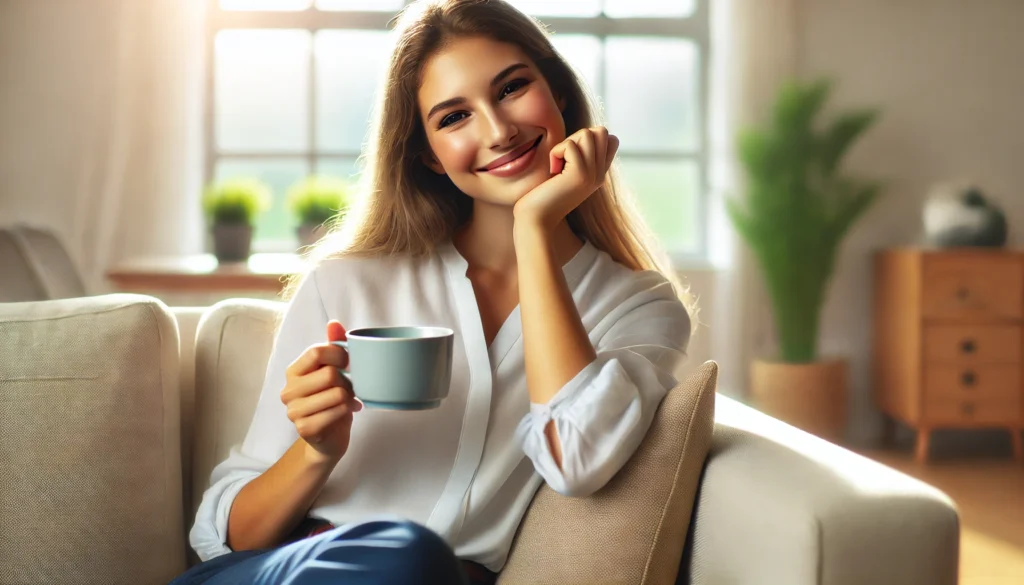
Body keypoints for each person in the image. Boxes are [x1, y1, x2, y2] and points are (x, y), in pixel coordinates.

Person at [172, 0, 695, 583]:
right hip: (287, 569)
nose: (498, 131)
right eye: (453, 118)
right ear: (428, 155)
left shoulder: (639, 306)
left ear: (560, 95)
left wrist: (535, 229)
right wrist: (317, 449)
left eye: (513, 88)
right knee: (406, 556)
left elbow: (576, 459)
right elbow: (226, 538)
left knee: (415, 561)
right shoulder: (346, 282)